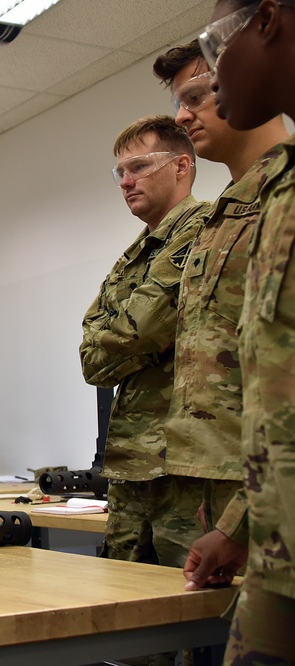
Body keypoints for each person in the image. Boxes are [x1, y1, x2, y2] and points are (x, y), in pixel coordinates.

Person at [179, 1, 295, 662]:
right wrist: (243, 525)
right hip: (278, 556)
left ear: (270, 20)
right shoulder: (281, 189)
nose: (217, 77)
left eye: (218, 45)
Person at [152, 39, 289, 557]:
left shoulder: (281, 195)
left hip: (265, 486)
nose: (183, 118)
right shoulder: (220, 215)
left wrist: (241, 518)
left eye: (195, 96)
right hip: (208, 475)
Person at [80, 116, 211, 570]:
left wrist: (126, 341)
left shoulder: (203, 231)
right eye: (119, 172)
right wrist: (132, 342)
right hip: (131, 464)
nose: (126, 181)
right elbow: (92, 361)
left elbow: (135, 331)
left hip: (182, 468)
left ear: (181, 166)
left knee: (190, 614)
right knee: (126, 612)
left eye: (138, 166)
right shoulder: (136, 254)